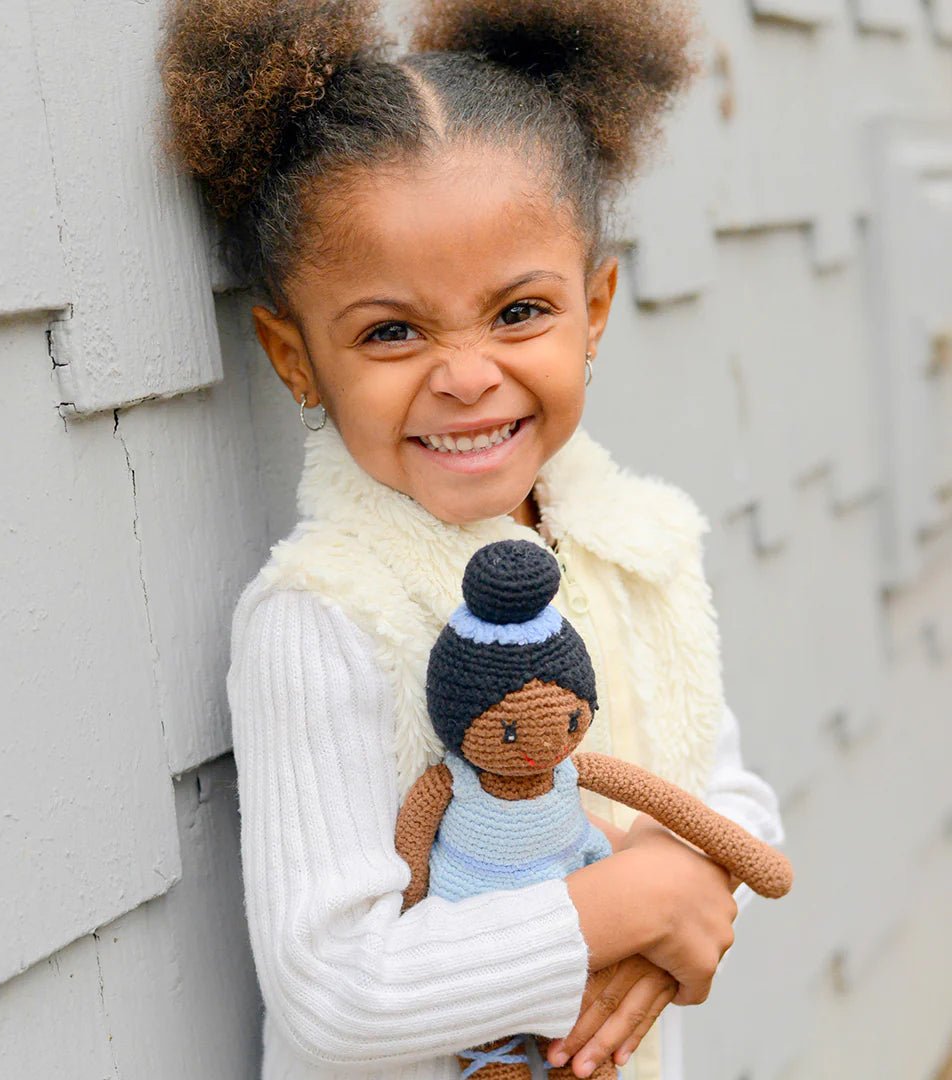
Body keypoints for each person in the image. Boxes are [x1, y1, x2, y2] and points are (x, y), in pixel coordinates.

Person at [159, 1, 786, 1077]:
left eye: (519, 312)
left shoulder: (635, 545)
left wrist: (686, 887)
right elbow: (336, 992)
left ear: (595, 308)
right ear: (295, 357)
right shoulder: (324, 618)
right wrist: (615, 909)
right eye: (391, 330)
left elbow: (721, 786)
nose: (464, 372)